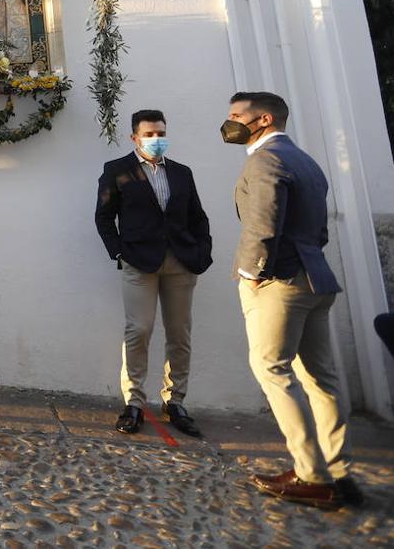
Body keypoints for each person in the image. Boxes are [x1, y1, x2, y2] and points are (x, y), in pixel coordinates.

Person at [224, 91, 362, 510]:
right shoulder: (306, 160)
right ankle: (339, 471)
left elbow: (263, 225)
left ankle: (312, 475)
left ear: (263, 119)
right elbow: (316, 228)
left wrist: (251, 274)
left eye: (236, 116)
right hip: (315, 279)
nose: (229, 123)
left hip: (280, 282)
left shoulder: (266, 160)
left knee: (273, 369)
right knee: (322, 380)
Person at [95, 109, 212, 438]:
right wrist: (117, 251)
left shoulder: (181, 173)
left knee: (179, 334)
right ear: (135, 137)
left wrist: (202, 251)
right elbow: (104, 216)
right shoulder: (117, 171)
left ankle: (175, 401)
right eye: (149, 134)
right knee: (139, 330)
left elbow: (197, 216)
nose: (156, 139)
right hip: (139, 261)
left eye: (160, 133)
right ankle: (133, 403)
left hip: (180, 262)